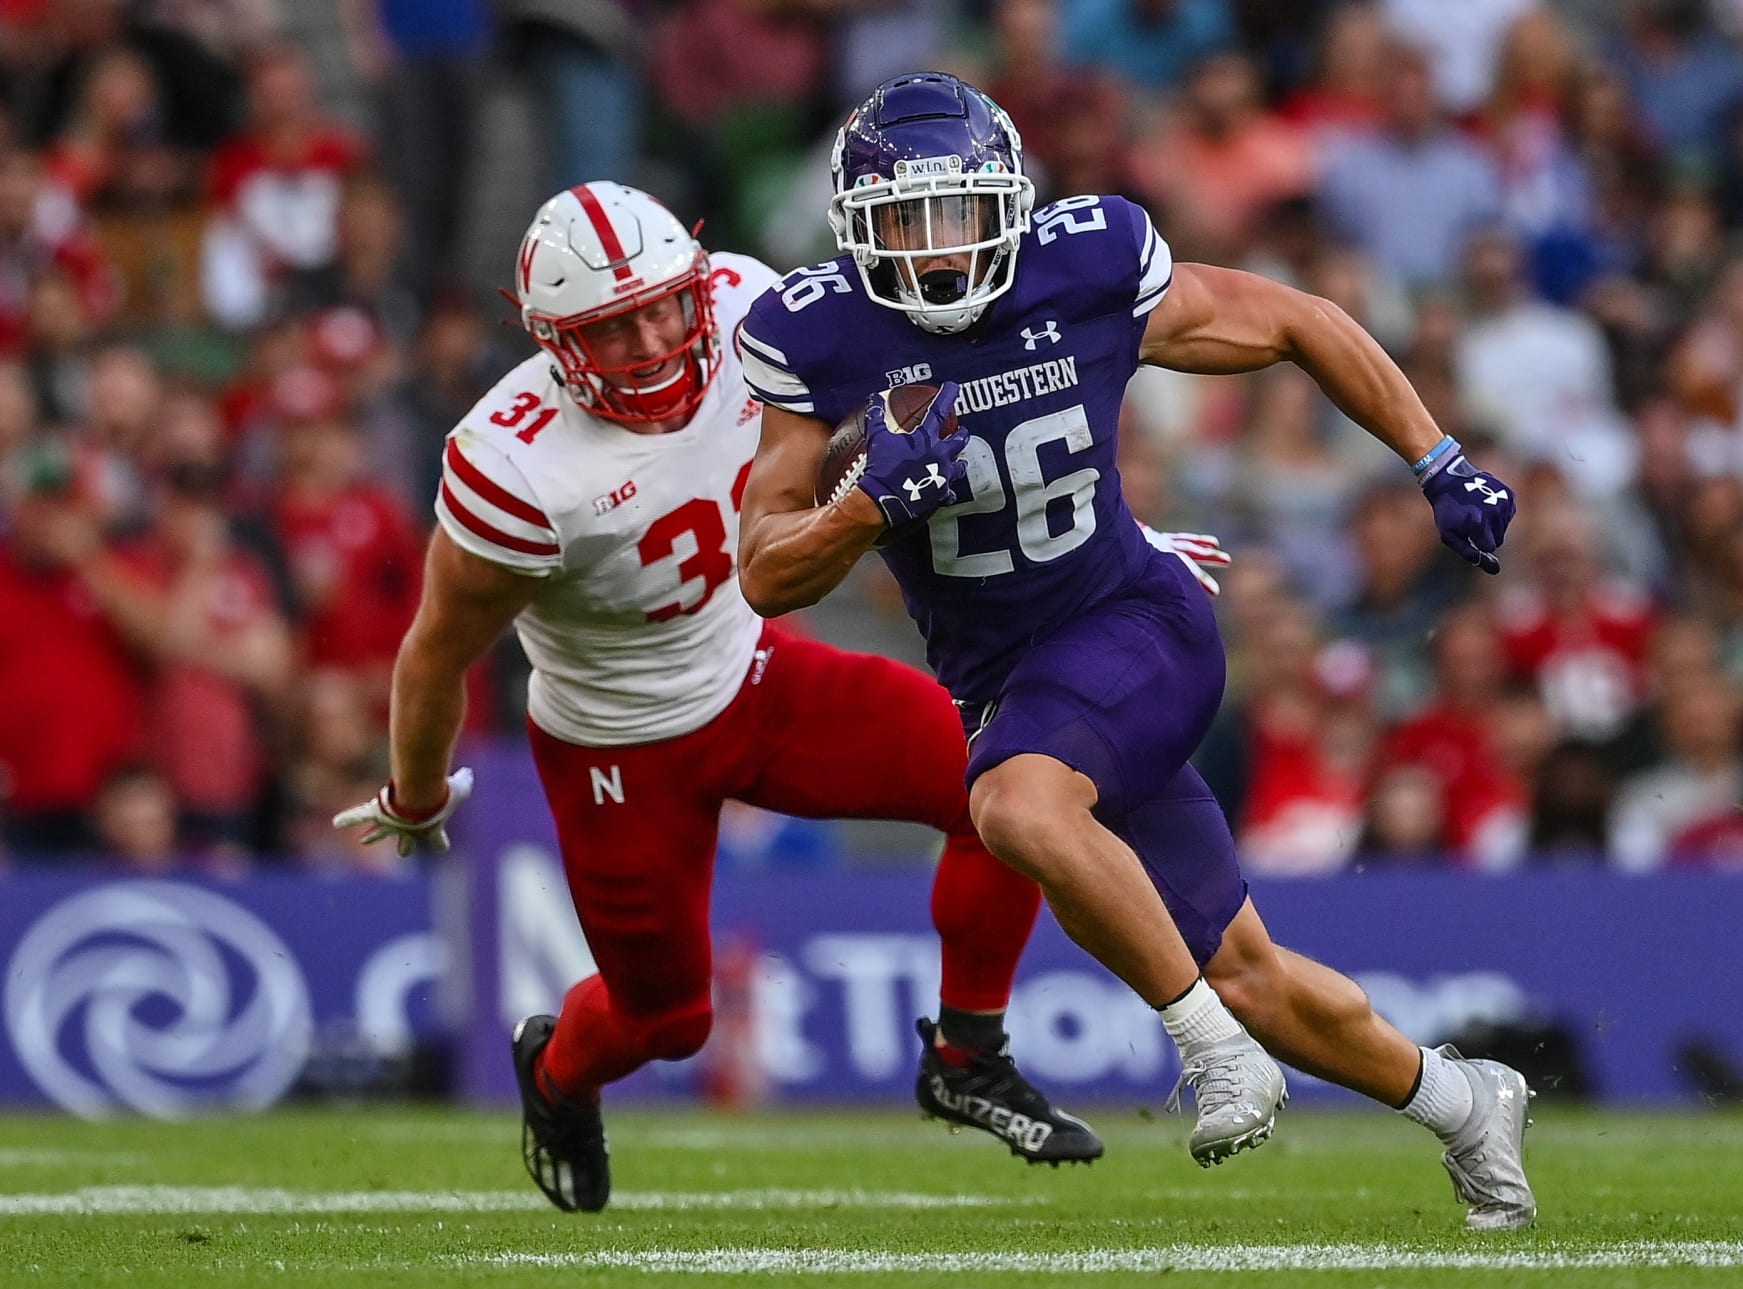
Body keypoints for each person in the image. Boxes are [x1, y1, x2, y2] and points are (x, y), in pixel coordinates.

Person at [735, 72, 1535, 1230]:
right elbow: (763, 568)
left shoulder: (1088, 262)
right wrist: (862, 509)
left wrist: (1436, 455)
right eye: (909, 221)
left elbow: (1298, 320)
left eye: (961, 212)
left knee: (1014, 804)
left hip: (1136, 624)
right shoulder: (820, 334)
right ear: (859, 229)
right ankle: (1465, 1100)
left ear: (1009, 203)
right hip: (1016, 681)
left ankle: (1209, 1054)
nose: (941, 250)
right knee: (1250, 969)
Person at [331, 181, 1229, 1211]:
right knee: (668, 1020)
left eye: (664, 305)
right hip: (621, 746)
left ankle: (966, 1050)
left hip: (758, 672)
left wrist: (1094, 541)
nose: (654, 338)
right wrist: (412, 790)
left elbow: (910, 414)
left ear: (696, 280)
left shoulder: (750, 306)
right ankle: (556, 1072)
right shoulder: (514, 465)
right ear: (552, 342)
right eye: (613, 326)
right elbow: (438, 650)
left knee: (1005, 780)